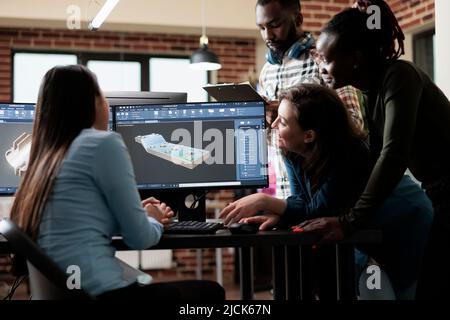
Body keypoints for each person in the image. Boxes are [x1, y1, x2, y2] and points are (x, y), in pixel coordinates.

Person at [9, 65, 225, 301]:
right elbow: (140, 238)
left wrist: (134, 215)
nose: (107, 104)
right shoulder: (102, 143)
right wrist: (152, 219)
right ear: (89, 103)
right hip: (103, 295)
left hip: (68, 292)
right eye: (102, 95)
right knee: (211, 292)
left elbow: (74, 224)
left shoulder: (41, 159)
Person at [304, 0, 450, 299]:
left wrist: (349, 221)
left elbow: (393, 155)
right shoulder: (372, 91)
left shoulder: (399, 76)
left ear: (354, 59)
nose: (322, 68)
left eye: (327, 59)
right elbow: (372, 157)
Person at [256, 0, 365, 200]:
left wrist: (296, 118)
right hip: (285, 192)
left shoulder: (325, 60)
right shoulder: (266, 72)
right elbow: (274, 142)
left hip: (325, 191)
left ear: (298, 19)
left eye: (274, 25)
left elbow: (353, 124)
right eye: (262, 28)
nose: (267, 35)